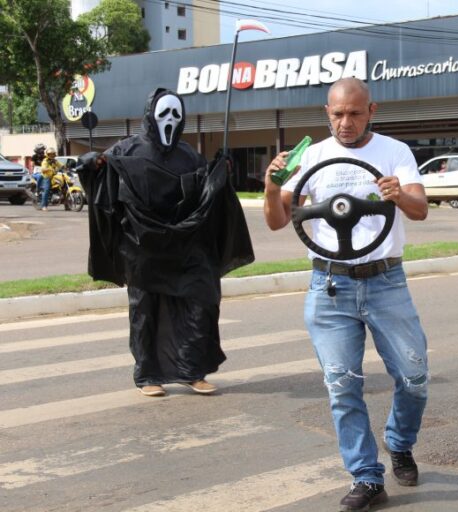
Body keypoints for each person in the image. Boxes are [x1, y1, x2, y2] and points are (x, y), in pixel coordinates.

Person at [263, 77, 429, 512]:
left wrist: (397, 196)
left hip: (386, 280)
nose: (346, 122)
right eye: (338, 114)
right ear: (327, 113)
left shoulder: (394, 151)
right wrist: (270, 184)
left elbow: (420, 208)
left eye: (355, 113)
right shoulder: (311, 156)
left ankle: (399, 442)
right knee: (342, 386)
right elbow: (278, 219)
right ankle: (366, 477)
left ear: (371, 110)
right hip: (330, 284)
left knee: (414, 379)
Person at [78, 88, 254, 398]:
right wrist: (90, 167)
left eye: (176, 113)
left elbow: (205, 197)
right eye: (164, 113)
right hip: (142, 247)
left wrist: (219, 172)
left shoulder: (189, 155)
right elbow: (103, 185)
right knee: (146, 311)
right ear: (150, 115)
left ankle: (192, 371)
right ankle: (148, 375)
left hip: (186, 247)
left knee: (202, 299)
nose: (170, 119)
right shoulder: (126, 150)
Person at [39, 147, 63, 211]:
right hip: (47, 177)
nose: (52, 155)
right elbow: (43, 169)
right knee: (46, 190)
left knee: (64, 186)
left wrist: (65, 167)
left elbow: (60, 165)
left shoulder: (55, 161)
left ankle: (67, 205)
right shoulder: (45, 161)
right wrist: (49, 169)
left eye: (53, 154)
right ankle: (44, 206)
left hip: (54, 176)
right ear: (47, 154)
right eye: (50, 154)